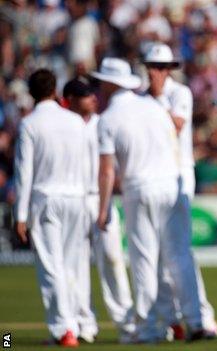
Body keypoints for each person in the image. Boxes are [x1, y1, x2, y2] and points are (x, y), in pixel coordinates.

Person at [92, 57, 206, 343]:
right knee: (179, 256)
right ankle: (195, 320)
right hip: (170, 184)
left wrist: (104, 208)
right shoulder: (154, 107)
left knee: (143, 259)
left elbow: (107, 171)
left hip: (138, 188)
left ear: (109, 83)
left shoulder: (106, 119)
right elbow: (173, 142)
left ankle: (147, 328)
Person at [142, 42, 217, 341]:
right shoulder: (143, 96)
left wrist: (155, 97)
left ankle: (200, 318)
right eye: (152, 67)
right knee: (158, 254)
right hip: (153, 176)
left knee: (178, 252)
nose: (155, 73)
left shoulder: (178, 94)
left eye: (161, 68)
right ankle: (172, 317)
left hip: (177, 176)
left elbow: (174, 126)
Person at [14, 69, 90, 347]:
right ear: (54, 89)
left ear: (33, 93)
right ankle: (72, 325)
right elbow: (87, 164)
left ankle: (64, 330)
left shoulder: (29, 124)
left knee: (52, 268)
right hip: (76, 199)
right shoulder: (76, 121)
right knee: (69, 267)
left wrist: (20, 215)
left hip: (47, 199)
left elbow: (24, 174)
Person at [62, 77, 135, 344]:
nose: (93, 98)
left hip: (99, 197)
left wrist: (104, 204)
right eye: (85, 95)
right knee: (75, 264)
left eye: (93, 93)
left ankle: (127, 325)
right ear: (69, 100)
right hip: (73, 199)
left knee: (113, 260)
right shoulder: (63, 127)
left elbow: (110, 169)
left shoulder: (101, 123)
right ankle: (84, 324)